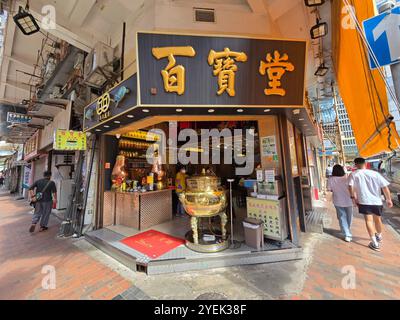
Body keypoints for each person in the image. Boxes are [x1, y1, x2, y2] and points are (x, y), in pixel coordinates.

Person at [349, 158, 393, 252]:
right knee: (378, 219)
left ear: (355, 164)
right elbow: (384, 187)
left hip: (364, 201)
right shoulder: (375, 173)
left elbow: (350, 186)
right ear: (365, 163)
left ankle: (374, 243)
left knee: (369, 221)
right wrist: (388, 199)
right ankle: (379, 236)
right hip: (377, 201)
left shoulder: (353, 174)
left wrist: (353, 198)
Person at [327, 164, 354, 242]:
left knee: (342, 216)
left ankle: (346, 231)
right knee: (349, 217)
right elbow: (352, 188)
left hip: (338, 200)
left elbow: (329, 189)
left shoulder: (330, 179)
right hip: (349, 200)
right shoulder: (347, 177)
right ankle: (347, 232)